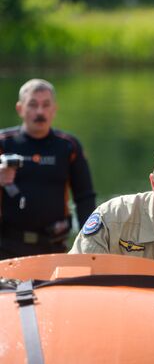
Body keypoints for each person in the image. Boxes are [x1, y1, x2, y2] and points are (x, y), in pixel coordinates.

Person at [0, 78, 95, 259]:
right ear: (20, 109)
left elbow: (85, 198)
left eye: (46, 105)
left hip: (54, 247)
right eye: (33, 105)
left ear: (54, 109)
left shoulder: (68, 146)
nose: (40, 112)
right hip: (6, 248)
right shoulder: (4, 143)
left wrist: (89, 242)